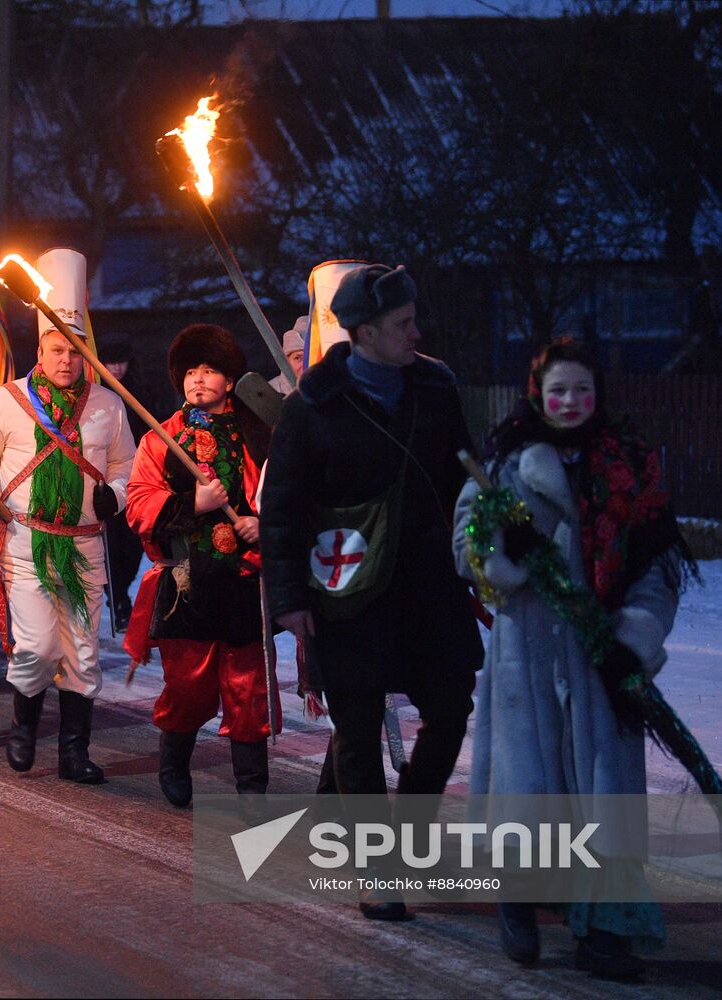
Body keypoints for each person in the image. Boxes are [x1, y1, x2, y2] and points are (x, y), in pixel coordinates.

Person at [453, 337, 693, 980]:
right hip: (526, 654)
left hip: (600, 658)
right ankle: (519, 903)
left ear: (599, 393)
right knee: (528, 787)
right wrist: (504, 558)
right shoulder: (504, 460)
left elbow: (658, 567)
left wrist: (633, 638)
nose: (569, 401)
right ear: (538, 392)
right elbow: (467, 540)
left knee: (603, 795)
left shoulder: (628, 465)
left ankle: (605, 931)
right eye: (558, 389)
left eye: (581, 389)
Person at [260, 262, 483, 922]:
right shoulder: (310, 408)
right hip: (347, 592)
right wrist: (289, 599)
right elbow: (283, 511)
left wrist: (514, 530)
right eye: (403, 323)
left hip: (430, 589)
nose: (417, 331)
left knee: (450, 708)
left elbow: (470, 475)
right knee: (355, 732)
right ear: (363, 333)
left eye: (414, 319)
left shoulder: (436, 389)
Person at [0, 248, 135, 783]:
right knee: (35, 647)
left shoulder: (109, 405)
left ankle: (74, 752)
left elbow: (127, 467)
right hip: (24, 543)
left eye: (75, 351)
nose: (66, 361)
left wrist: (117, 496)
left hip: (84, 544)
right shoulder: (6, 401)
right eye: (57, 349)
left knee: (82, 651)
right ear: (41, 347)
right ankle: (23, 727)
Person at [124, 324, 278, 806]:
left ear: (230, 380)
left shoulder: (260, 432)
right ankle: (174, 763)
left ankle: (252, 788)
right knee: (187, 685)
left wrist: (261, 524)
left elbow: (283, 490)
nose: (198, 379)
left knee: (247, 688)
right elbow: (138, 501)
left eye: (209, 370)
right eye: (191, 371)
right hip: (187, 581)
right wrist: (193, 503)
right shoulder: (161, 439)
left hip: (243, 581)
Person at [97, 331, 148, 631]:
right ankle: (115, 598)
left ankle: (121, 592)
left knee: (131, 544)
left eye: (121, 363)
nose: (116, 369)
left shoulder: (140, 390)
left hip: (136, 475)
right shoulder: (94, 394)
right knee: (109, 545)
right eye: (110, 363)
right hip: (103, 478)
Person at [267, 315, 307, 395]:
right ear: (287, 361)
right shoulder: (269, 392)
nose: (306, 365)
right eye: (298, 358)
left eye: (311, 357)